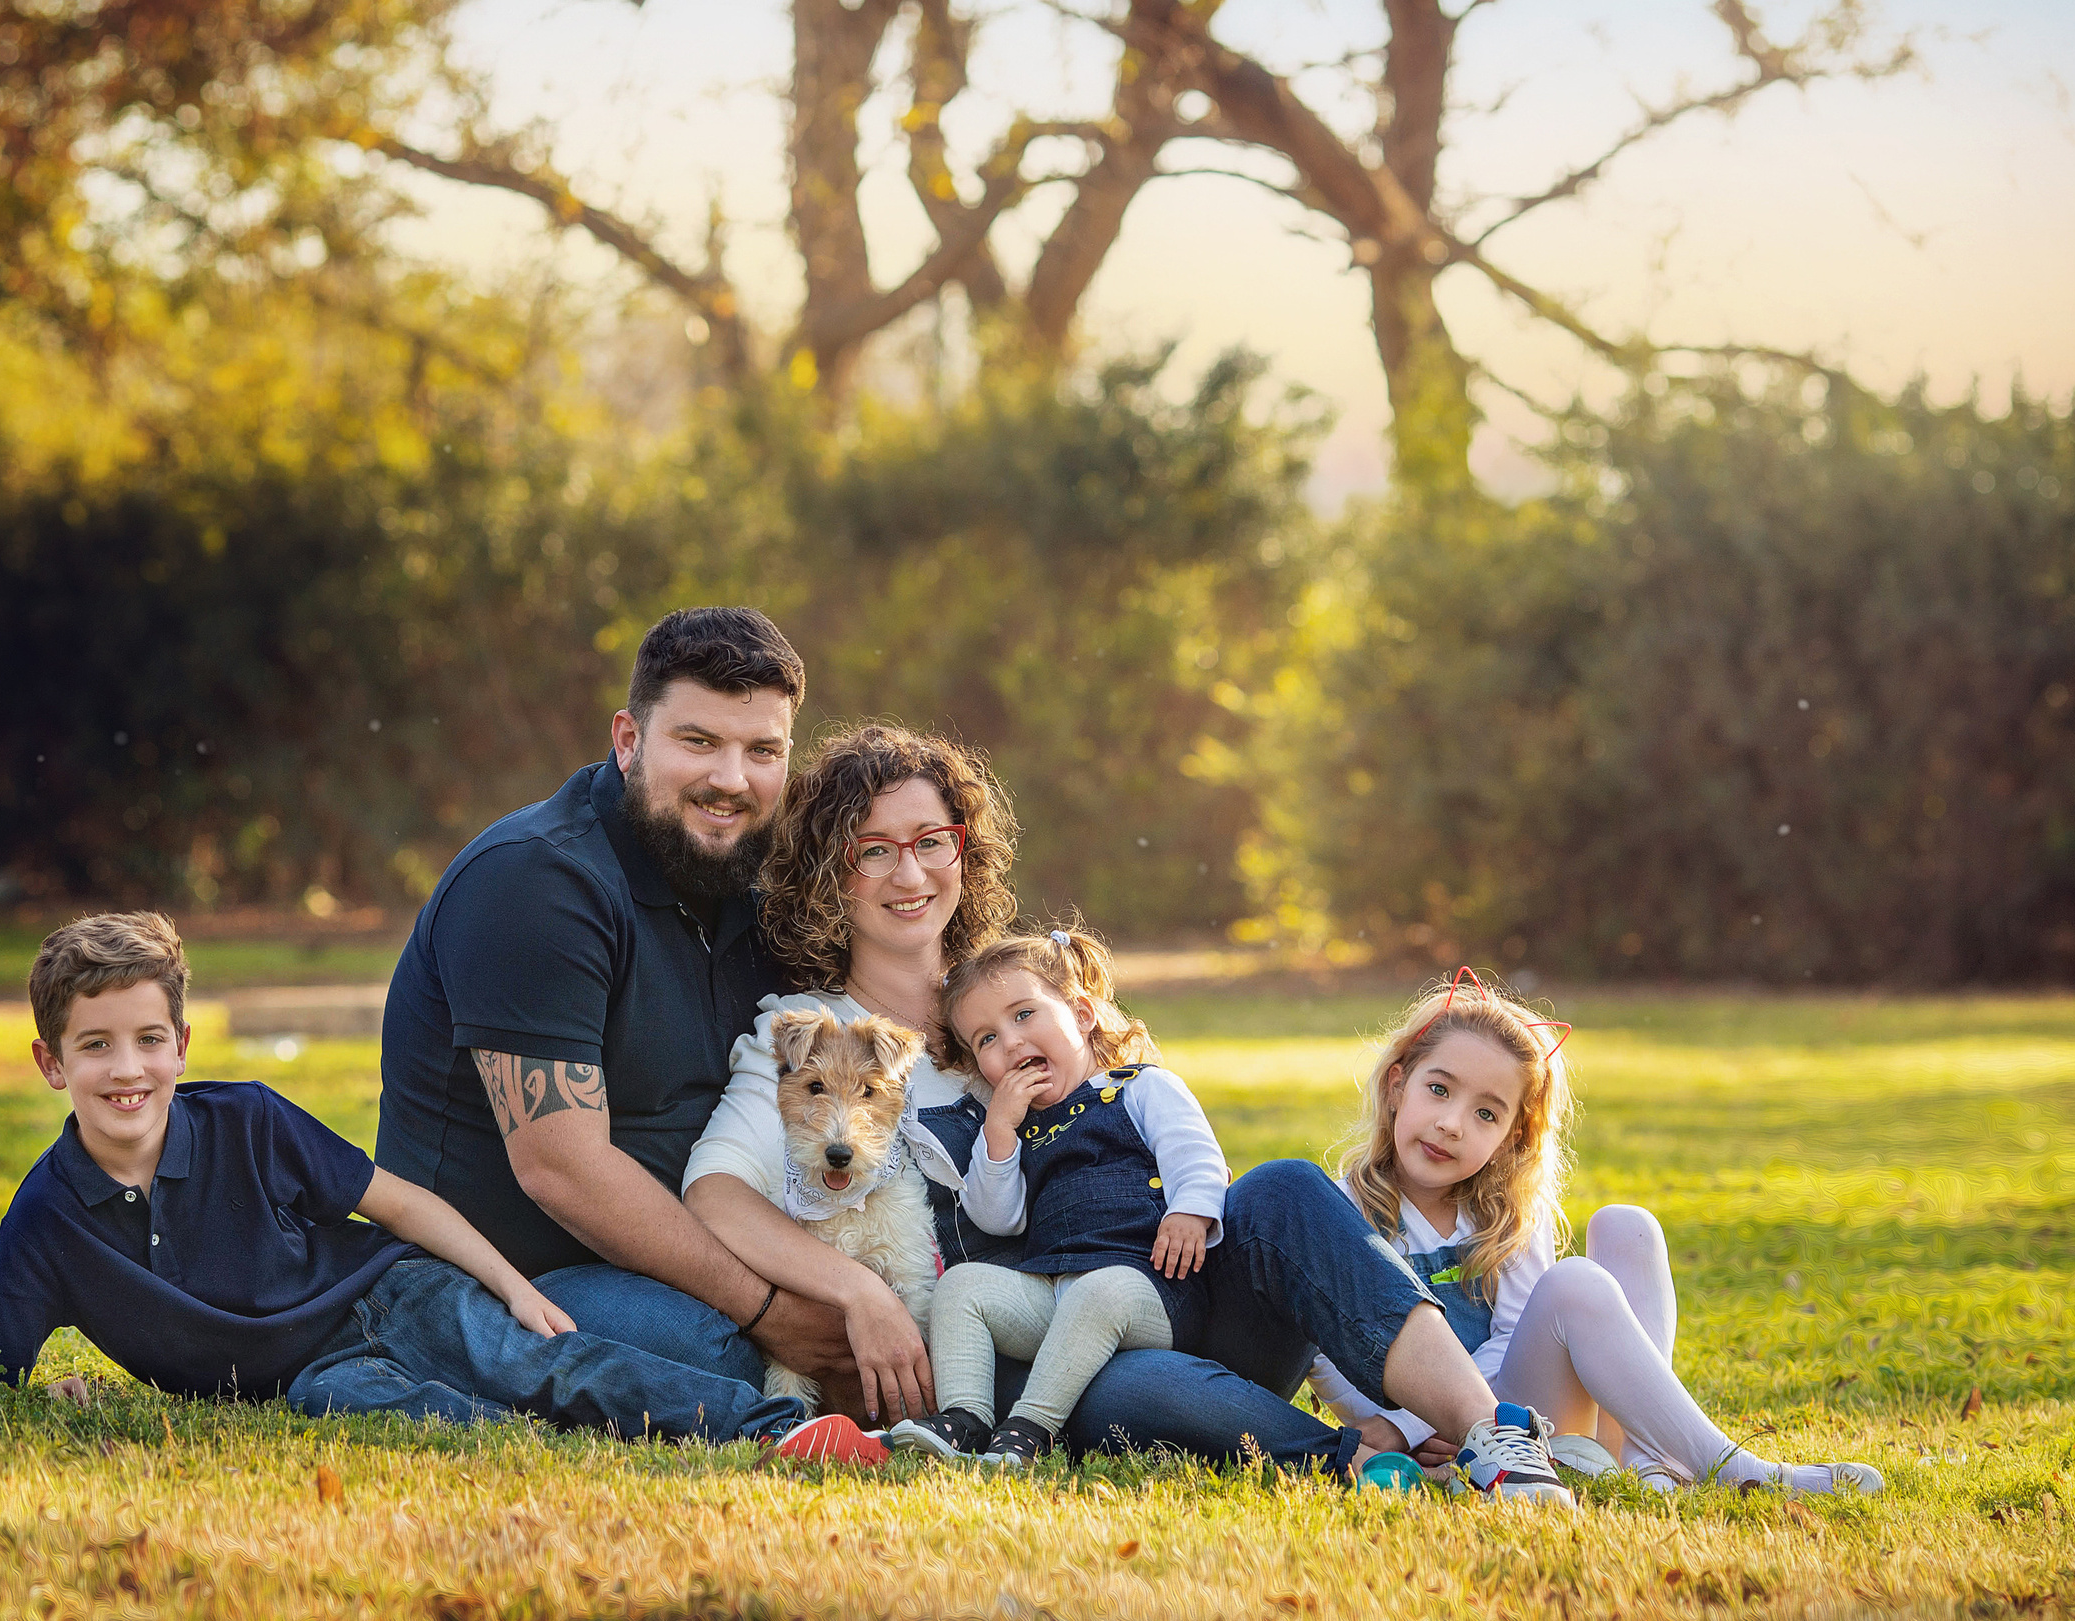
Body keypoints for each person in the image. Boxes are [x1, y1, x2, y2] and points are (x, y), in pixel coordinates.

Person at [683, 724, 1575, 1501]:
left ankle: (1495, 1435)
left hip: (1181, 1294)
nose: (909, 871)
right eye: (873, 849)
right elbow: (717, 1193)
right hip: (1054, 1358)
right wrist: (858, 1293)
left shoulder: (1017, 998)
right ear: (828, 876)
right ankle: (1356, 1457)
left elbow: (1145, 1118)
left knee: (1284, 1189)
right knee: (1118, 1388)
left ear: (965, 850)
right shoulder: (811, 1040)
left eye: (930, 840)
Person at [0, 912, 884, 1463]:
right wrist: (44, 1397)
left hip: (388, 1292)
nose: (129, 1070)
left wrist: (515, 1289)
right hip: (309, 1377)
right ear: (51, 1062)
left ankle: (773, 1428)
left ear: (181, 1046)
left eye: (149, 1040)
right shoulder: (46, 1220)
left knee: (547, 1365)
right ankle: (585, 1446)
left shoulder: (242, 1117)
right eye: (96, 1045)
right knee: (463, 1426)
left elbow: (395, 1202)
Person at [371, 608, 856, 1406]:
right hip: (506, 1276)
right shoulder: (536, 882)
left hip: (709, 1243)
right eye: (698, 741)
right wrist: (770, 1308)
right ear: (629, 740)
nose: (732, 779)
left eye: (762, 750)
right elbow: (563, 1169)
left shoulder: (752, 880)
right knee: (726, 1358)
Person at [1306, 968, 1886, 1495]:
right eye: (1439, 1089)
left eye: (1487, 1113)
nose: (1452, 1124)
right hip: (1472, 1443)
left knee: (1626, 1226)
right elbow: (1331, 1358)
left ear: (1512, 1136)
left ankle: (1644, 1454)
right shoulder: (1341, 1211)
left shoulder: (1503, 1215)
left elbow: (1514, 1337)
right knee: (1574, 1286)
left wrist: (1418, 1420)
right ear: (1396, 1086)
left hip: (1539, 1416)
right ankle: (1737, 1471)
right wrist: (1409, 1425)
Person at [887, 925, 1228, 1466]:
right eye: (987, 1039)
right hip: (1053, 1298)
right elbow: (997, 1218)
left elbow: (1198, 1154)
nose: (1012, 1042)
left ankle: (1030, 1428)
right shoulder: (1020, 1130)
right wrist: (998, 1133)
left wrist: (1190, 1211)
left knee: (1102, 1290)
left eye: (1024, 1015)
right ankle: (965, 1418)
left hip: (1149, 1289)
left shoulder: (1141, 1088)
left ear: (1083, 1016)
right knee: (964, 1286)